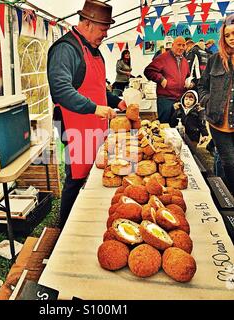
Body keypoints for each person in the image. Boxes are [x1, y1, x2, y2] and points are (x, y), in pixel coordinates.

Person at [47, 0, 127, 229]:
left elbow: (98, 90)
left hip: (96, 127)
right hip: (75, 128)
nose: (106, 33)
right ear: (88, 23)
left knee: (93, 176)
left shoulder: (95, 52)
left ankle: (88, 222)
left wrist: (118, 102)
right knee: (75, 179)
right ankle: (66, 230)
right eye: (103, 28)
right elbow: (61, 90)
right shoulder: (65, 49)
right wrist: (94, 108)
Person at [198, 13, 234, 195]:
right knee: (229, 163)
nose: (231, 38)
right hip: (219, 124)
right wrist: (208, 102)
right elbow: (201, 86)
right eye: (227, 35)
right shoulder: (215, 60)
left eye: (233, 33)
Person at [144, 36, 191, 125]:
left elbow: (187, 76)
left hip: (179, 100)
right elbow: (148, 71)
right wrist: (161, 79)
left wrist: (189, 82)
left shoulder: (185, 61)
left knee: (177, 127)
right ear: (173, 45)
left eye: (183, 45)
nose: (181, 47)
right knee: (164, 127)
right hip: (165, 99)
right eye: (179, 45)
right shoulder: (163, 57)